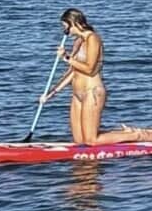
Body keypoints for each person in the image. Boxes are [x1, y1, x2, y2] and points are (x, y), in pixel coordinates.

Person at [40, 9, 105, 144]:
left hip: (91, 93)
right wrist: (51, 94)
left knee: (91, 141)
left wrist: (66, 57)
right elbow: (72, 72)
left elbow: (89, 69)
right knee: (79, 142)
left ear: (74, 23)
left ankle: (135, 135)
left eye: (65, 27)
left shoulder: (93, 38)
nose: (65, 31)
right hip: (77, 96)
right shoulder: (78, 42)